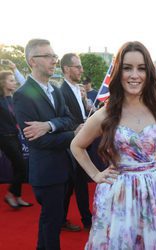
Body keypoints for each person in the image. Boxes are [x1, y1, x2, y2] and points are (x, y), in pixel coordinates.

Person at [70, 41, 156, 249]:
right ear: (118, 73)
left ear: (149, 73)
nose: (134, 75)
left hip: (152, 193)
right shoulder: (105, 114)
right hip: (117, 194)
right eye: (127, 68)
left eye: (141, 68)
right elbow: (77, 145)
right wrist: (95, 175)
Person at [13, 39, 77, 250]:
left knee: (51, 220)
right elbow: (39, 141)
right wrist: (72, 135)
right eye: (48, 56)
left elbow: (69, 120)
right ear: (33, 61)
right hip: (46, 172)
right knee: (51, 223)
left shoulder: (56, 90)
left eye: (54, 56)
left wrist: (49, 124)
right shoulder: (22, 95)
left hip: (63, 167)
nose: (54, 60)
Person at [60, 53, 92, 231]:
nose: (81, 70)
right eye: (77, 66)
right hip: (71, 146)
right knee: (78, 184)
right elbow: (63, 118)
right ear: (66, 69)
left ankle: (61, 219)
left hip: (82, 143)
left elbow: (80, 115)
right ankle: (88, 221)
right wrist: (77, 127)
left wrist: (88, 107)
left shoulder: (78, 89)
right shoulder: (61, 91)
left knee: (71, 185)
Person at [0, 70, 32, 208]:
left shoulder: (13, 98)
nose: (14, 82)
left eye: (14, 80)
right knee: (21, 166)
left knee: (17, 167)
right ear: (2, 82)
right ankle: (9, 194)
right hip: (4, 138)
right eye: (11, 80)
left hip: (15, 136)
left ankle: (17, 197)